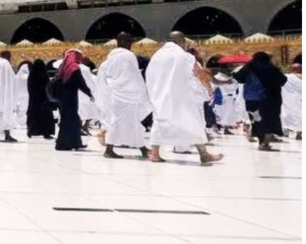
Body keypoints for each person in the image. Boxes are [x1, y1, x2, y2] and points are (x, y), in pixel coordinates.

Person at [146, 33, 222, 163]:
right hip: (182, 97)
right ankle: (204, 155)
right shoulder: (185, 56)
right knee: (194, 122)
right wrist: (209, 90)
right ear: (181, 42)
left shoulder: (156, 56)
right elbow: (200, 74)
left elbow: (150, 75)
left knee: (159, 123)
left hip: (160, 96)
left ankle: (155, 154)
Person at [96, 33, 151, 158]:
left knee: (132, 122)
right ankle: (109, 150)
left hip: (116, 94)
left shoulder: (111, 57)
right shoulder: (128, 56)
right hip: (128, 95)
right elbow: (132, 76)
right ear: (127, 42)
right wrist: (142, 91)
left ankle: (142, 148)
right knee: (119, 122)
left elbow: (107, 75)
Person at [234, 51, 287, 151]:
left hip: (251, 100)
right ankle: (265, 143)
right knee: (268, 121)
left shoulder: (248, 67)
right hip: (267, 100)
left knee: (256, 121)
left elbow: (239, 78)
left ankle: (260, 141)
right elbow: (283, 81)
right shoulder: (270, 68)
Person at [52, 49, 93, 151]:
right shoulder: (74, 67)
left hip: (61, 99)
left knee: (69, 120)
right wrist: (89, 93)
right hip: (70, 99)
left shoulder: (63, 66)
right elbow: (80, 82)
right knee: (72, 120)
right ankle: (63, 144)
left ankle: (74, 143)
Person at [26, 59, 55, 138]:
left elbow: (30, 87)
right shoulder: (44, 74)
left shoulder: (31, 75)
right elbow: (48, 86)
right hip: (44, 99)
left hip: (34, 100)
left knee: (33, 115)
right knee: (45, 116)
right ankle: (46, 133)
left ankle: (31, 131)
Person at [281, 63, 302, 139]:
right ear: (300, 69)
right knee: (300, 115)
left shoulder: (286, 77)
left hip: (287, 99)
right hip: (299, 100)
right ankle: (299, 133)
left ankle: (285, 132)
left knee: (286, 114)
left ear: (292, 69)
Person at [14, 61, 30, 129]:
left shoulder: (16, 76)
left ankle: (18, 123)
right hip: (26, 96)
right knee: (25, 110)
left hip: (18, 96)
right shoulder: (28, 77)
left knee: (19, 110)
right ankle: (25, 123)